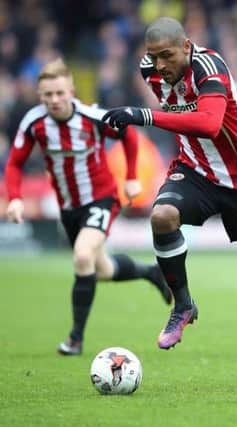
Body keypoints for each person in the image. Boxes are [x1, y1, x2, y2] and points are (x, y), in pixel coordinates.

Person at [101, 17, 237, 384]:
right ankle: (182, 305)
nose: (160, 65)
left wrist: (143, 116)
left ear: (186, 46)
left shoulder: (210, 68)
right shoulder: (150, 69)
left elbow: (210, 124)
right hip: (195, 171)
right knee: (161, 216)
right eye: (154, 57)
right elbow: (178, 112)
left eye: (167, 56)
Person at [4, 58, 172, 356]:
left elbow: (129, 135)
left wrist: (132, 178)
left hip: (102, 198)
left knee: (83, 256)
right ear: (40, 96)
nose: (54, 100)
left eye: (59, 93)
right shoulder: (34, 123)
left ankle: (75, 339)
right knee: (101, 270)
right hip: (70, 208)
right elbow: (15, 163)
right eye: (47, 95)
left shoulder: (93, 116)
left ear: (71, 91)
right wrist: (14, 197)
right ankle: (152, 273)